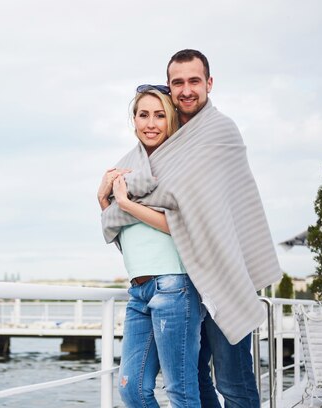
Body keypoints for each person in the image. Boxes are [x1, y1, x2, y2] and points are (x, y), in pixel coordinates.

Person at [163, 49, 277, 408]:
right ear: (169, 87)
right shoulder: (168, 135)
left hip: (226, 273)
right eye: (177, 82)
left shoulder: (220, 130)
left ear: (209, 84)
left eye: (194, 81)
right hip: (185, 279)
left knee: (233, 380)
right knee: (191, 374)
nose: (186, 90)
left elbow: (183, 197)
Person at [98, 85, 205, 408]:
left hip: (174, 286)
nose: (151, 123)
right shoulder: (128, 170)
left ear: (172, 120)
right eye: (143, 115)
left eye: (160, 115)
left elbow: (181, 225)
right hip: (139, 290)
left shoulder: (180, 166)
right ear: (133, 120)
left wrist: (126, 204)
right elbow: (119, 229)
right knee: (132, 390)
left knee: (180, 391)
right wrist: (102, 198)